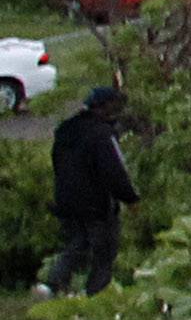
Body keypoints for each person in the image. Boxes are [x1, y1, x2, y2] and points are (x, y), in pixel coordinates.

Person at [44, 86, 131, 296]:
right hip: (96, 203)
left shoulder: (66, 131)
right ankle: (97, 294)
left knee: (78, 244)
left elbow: (58, 163)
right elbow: (115, 170)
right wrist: (129, 197)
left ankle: (53, 284)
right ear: (104, 106)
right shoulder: (102, 134)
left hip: (65, 200)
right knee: (104, 251)